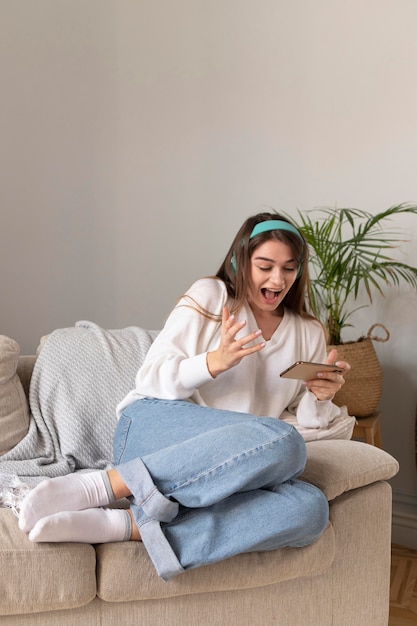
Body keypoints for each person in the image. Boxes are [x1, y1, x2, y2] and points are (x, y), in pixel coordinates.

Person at [18, 212, 350, 581]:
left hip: (223, 467)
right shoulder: (211, 296)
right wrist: (214, 361)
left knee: (310, 510)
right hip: (151, 428)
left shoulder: (308, 332)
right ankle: (101, 485)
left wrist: (320, 397)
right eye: (265, 266)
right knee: (285, 443)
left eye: (289, 268)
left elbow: (302, 417)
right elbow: (151, 377)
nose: (278, 279)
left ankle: (124, 525)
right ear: (240, 261)